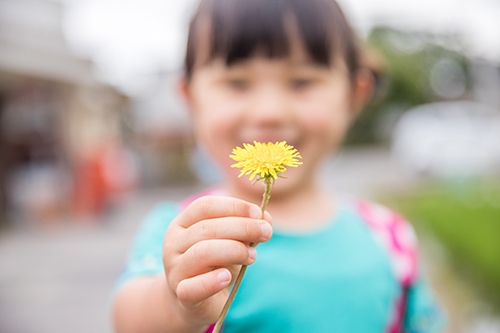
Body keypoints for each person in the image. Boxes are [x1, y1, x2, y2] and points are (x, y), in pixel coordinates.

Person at [111, 0, 447, 332]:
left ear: (353, 96)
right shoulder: (182, 232)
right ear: (190, 99)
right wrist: (176, 305)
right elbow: (129, 319)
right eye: (237, 83)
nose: (269, 112)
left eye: (302, 82)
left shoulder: (390, 238)